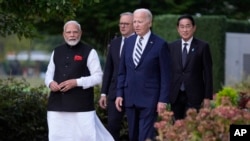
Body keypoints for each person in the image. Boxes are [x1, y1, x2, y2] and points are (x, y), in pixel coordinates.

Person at [44, 20, 114, 141]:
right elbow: (48, 74)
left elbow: (98, 76)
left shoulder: (90, 51)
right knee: (57, 136)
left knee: (86, 137)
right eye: (69, 32)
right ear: (64, 34)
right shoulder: (56, 51)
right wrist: (50, 83)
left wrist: (77, 82)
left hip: (82, 106)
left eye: (75, 32)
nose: (72, 35)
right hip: (57, 104)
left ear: (80, 33)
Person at [115, 8, 171, 141]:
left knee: (145, 136)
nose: (136, 25)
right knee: (133, 135)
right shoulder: (128, 42)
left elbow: (166, 75)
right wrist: (119, 94)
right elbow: (122, 71)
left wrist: (162, 100)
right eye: (134, 22)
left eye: (140, 22)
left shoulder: (160, 44)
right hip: (130, 97)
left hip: (150, 99)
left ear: (150, 23)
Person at [168, 14, 213, 120]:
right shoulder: (171, 47)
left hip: (195, 95)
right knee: (176, 126)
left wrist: (207, 97)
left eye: (188, 26)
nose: (185, 29)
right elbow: (168, 72)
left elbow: (208, 73)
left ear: (194, 28)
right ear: (178, 29)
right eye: (182, 27)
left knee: (190, 126)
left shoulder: (203, 46)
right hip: (176, 95)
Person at [99, 12, 134, 141]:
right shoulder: (115, 43)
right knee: (112, 127)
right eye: (121, 23)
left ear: (134, 25)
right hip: (114, 92)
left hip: (133, 92)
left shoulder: (139, 43)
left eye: (126, 24)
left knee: (133, 128)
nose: (123, 26)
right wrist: (103, 93)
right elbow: (108, 69)